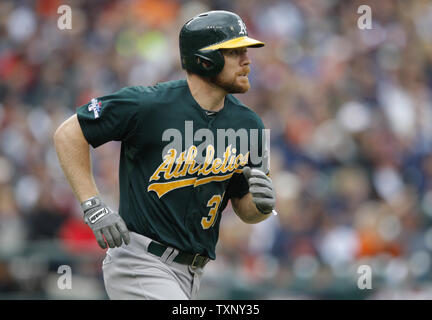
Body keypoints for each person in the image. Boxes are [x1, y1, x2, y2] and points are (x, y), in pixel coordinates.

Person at [54, 10, 276, 300]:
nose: (247, 60)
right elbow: (69, 133)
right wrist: (93, 206)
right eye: (235, 52)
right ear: (205, 59)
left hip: (193, 273)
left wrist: (260, 205)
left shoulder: (249, 124)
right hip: (140, 261)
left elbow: (245, 210)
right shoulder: (149, 104)